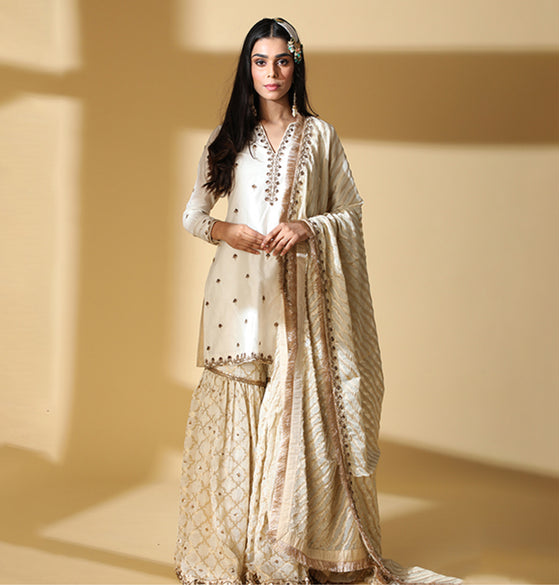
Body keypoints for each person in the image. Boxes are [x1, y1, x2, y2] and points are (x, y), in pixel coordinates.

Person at [175, 17, 463, 585]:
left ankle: (283, 548)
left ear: (296, 65)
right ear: (248, 68)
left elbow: (349, 212)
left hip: (301, 302)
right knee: (240, 421)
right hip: (236, 297)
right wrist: (226, 231)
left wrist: (309, 227)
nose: (271, 73)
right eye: (260, 61)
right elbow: (193, 215)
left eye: (282, 60)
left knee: (295, 418)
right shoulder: (227, 138)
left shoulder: (321, 137)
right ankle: (234, 553)